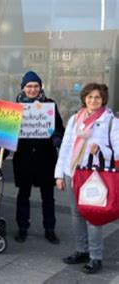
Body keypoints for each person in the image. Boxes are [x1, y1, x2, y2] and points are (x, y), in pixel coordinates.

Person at [55, 83, 118, 274]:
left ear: (103, 100)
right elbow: (65, 147)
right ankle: (81, 250)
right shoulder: (75, 119)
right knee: (76, 214)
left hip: (94, 175)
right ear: (84, 98)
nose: (93, 100)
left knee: (93, 216)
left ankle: (95, 257)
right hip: (73, 172)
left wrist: (100, 150)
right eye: (90, 97)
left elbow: (116, 152)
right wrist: (59, 174)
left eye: (97, 97)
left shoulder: (111, 121)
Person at [13, 71, 65, 244]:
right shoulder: (15, 106)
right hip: (24, 157)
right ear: (23, 88)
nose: (32, 89)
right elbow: (7, 132)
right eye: (29, 86)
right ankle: (22, 227)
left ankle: (49, 228)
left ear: (41, 87)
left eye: (36, 86)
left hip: (46, 158)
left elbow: (59, 127)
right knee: (23, 195)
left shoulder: (49, 105)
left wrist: (56, 137)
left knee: (48, 196)